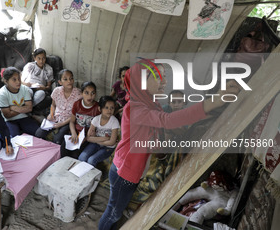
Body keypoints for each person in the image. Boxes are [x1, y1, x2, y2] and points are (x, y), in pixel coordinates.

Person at [98, 59, 240, 230]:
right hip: (124, 174)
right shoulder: (135, 108)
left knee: (118, 209)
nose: (164, 81)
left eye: (164, 76)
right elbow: (168, 120)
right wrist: (213, 102)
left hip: (132, 171)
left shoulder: (150, 103)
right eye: (158, 77)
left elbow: (152, 131)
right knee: (114, 211)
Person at [35, 69, 82, 144]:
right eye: (65, 79)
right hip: (56, 117)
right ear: (60, 82)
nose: (69, 81)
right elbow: (53, 105)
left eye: (71, 78)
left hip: (68, 121)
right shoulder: (57, 91)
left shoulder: (78, 94)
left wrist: (61, 124)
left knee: (57, 140)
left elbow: (76, 114)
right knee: (38, 134)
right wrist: (51, 113)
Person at [60, 81, 100, 158]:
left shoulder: (97, 108)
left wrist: (84, 139)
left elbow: (96, 129)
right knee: (64, 147)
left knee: (75, 155)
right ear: (81, 93)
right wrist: (74, 133)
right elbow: (72, 122)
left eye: (93, 93)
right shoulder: (77, 104)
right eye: (86, 93)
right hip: (75, 134)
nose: (90, 96)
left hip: (87, 137)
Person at [0, 67, 40, 137]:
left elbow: (29, 108)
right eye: (14, 80)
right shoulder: (2, 94)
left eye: (19, 78)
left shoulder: (25, 89)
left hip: (24, 117)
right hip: (9, 120)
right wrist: (23, 108)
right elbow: (7, 115)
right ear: (6, 81)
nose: (18, 82)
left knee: (38, 133)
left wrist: (13, 108)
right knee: (14, 138)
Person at [78, 96, 120, 166]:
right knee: (82, 157)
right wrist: (105, 138)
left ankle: (91, 176)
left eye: (112, 108)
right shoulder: (96, 119)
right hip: (96, 144)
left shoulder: (114, 121)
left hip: (107, 148)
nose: (109, 110)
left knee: (91, 160)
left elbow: (112, 142)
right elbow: (88, 138)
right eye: (106, 108)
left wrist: (95, 139)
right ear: (100, 108)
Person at [21, 48, 53, 114]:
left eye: (43, 58)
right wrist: (26, 84)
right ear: (34, 58)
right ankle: (26, 110)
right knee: (28, 92)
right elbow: (21, 81)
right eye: (39, 58)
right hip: (28, 87)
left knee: (42, 94)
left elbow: (49, 86)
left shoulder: (48, 69)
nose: (41, 61)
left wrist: (43, 88)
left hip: (39, 89)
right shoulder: (29, 66)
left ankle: (27, 109)